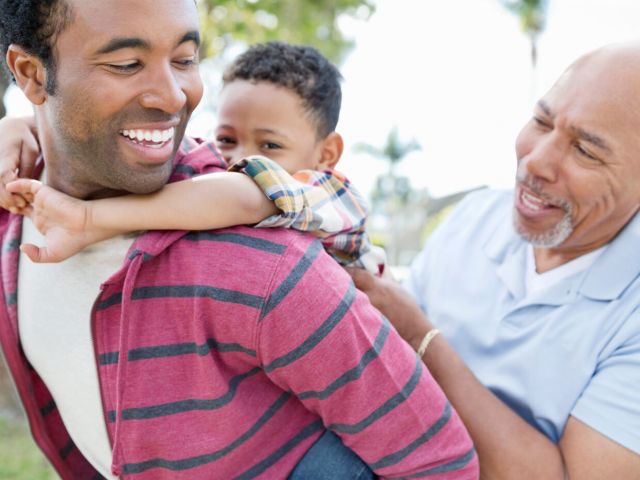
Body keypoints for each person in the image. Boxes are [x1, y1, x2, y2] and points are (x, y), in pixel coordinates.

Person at [0, 1, 478, 480]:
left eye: (185, 59)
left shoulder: (266, 265)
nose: (172, 97)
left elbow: (440, 462)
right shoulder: (14, 214)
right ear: (30, 74)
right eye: (127, 64)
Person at [348, 41, 640, 479]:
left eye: (585, 151)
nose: (536, 161)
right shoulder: (474, 217)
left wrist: (422, 337)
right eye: (542, 121)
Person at [2, 42, 385, 274]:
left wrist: (90, 219)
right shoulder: (210, 178)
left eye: (269, 147)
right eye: (226, 139)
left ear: (327, 153)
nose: (240, 159)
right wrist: (22, 126)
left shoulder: (336, 198)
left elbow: (243, 194)